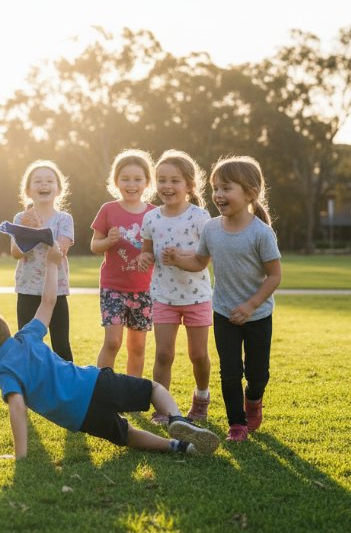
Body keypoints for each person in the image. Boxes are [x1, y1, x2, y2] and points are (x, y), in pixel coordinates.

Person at [0, 246, 220, 459]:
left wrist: (20, 455)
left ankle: (179, 447)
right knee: (153, 390)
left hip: (78, 416)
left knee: (125, 434)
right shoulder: (26, 337)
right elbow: (49, 301)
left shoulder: (4, 371)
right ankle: (176, 419)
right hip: (92, 383)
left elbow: (16, 405)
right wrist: (52, 264)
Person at [164, 156, 281, 443]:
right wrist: (179, 260)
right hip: (224, 313)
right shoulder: (212, 229)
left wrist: (251, 305)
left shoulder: (260, 233)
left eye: (226, 188)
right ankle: (237, 425)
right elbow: (200, 262)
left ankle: (253, 400)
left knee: (257, 375)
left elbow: (274, 276)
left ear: (250, 193)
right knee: (229, 372)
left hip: (258, 316)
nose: (218, 195)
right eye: (215, 188)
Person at [137, 150, 214, 425]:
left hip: (197, 298)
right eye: (161, 180)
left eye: (175, 181)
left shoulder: (200, 217)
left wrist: (180, 259)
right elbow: (146, 252)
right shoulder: (151, 218)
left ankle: (201, 399)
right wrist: (145, 258)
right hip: (164, 296)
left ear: (189, 186)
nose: (167, 186)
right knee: (163, 354)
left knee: (198, 355)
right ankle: (163, 408)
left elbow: (204, 261)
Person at [90, 149, 156, 375]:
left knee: (137, 346)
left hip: (144, 289)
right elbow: (95, 245)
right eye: (125, 179)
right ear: (116, 181)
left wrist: (149, 255)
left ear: (147, 182)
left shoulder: (154, 214)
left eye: (138, 179)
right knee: (113, 342)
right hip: (113, 288)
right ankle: (103, 390)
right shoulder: (108, 210)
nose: (131, 184)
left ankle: (132, 393)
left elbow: (159, 249)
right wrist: (108, 240)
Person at [9, 160, 75, 361]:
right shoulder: (21, 218)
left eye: (49, 181)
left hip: (56, 290)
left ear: (58, 189)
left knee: (61, 344)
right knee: (27, 343)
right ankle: (29, 386)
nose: (44, 185)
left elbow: (60, 251)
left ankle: (67, 387)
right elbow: (15, 252)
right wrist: (27, 232)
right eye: (37, 181)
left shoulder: (64, 219)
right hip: (28, 288)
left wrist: (39, 230)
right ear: (28, 190)